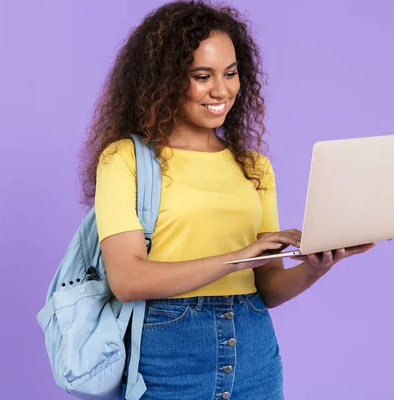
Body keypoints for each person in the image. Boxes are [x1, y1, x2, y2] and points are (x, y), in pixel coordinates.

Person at [78, 1, 374, 398]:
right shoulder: (125, 160)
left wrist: (315, 267)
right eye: (202, 76)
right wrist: (241, 255)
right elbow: (129, 280)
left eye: (231, 73)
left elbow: (267, 287)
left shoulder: (254, 166)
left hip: (254, 351)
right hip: (169, 354)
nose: (222, 90)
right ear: (163, 81)